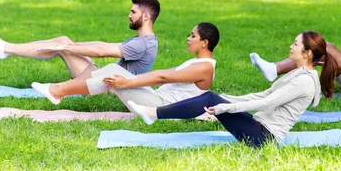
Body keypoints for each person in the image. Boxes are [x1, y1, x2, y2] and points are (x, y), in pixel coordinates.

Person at [127, 31, 339, 148]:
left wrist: (225, 108)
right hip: (258, 127)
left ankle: (153, 114)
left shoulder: (304, 81)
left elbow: (267, 103)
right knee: (212, 98)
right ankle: (154, 114)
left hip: (264, 138)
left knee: (210, 99)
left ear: (308, 53)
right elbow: (264, 94)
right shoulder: (298, 73)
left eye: (295, 44)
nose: (291, 47)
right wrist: (228, 99)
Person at [31, 23, 220, 115]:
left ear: (204, 43)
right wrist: (129, 80)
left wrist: (128, 82)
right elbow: (161, 74)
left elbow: (162, 77)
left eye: (193, 36)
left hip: (161, 106)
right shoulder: (197, 62)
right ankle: (57, 90)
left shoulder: (204, 67)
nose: (188, 38)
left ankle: (57, 91)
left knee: (115, 73)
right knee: (114, 70)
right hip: (157, 98)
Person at [0, 0, 160, 80]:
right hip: (103, 78)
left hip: (105, 87)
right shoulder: (144, 41)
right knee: (64, 40)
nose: (129, 15)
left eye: (133, 12)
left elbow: (100, 51)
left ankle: (6, 49)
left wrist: (65, 48)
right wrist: (73, 45)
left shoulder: (142, 44)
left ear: (145, 17)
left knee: (62, 43)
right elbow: (102, 45)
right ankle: (6, 49)